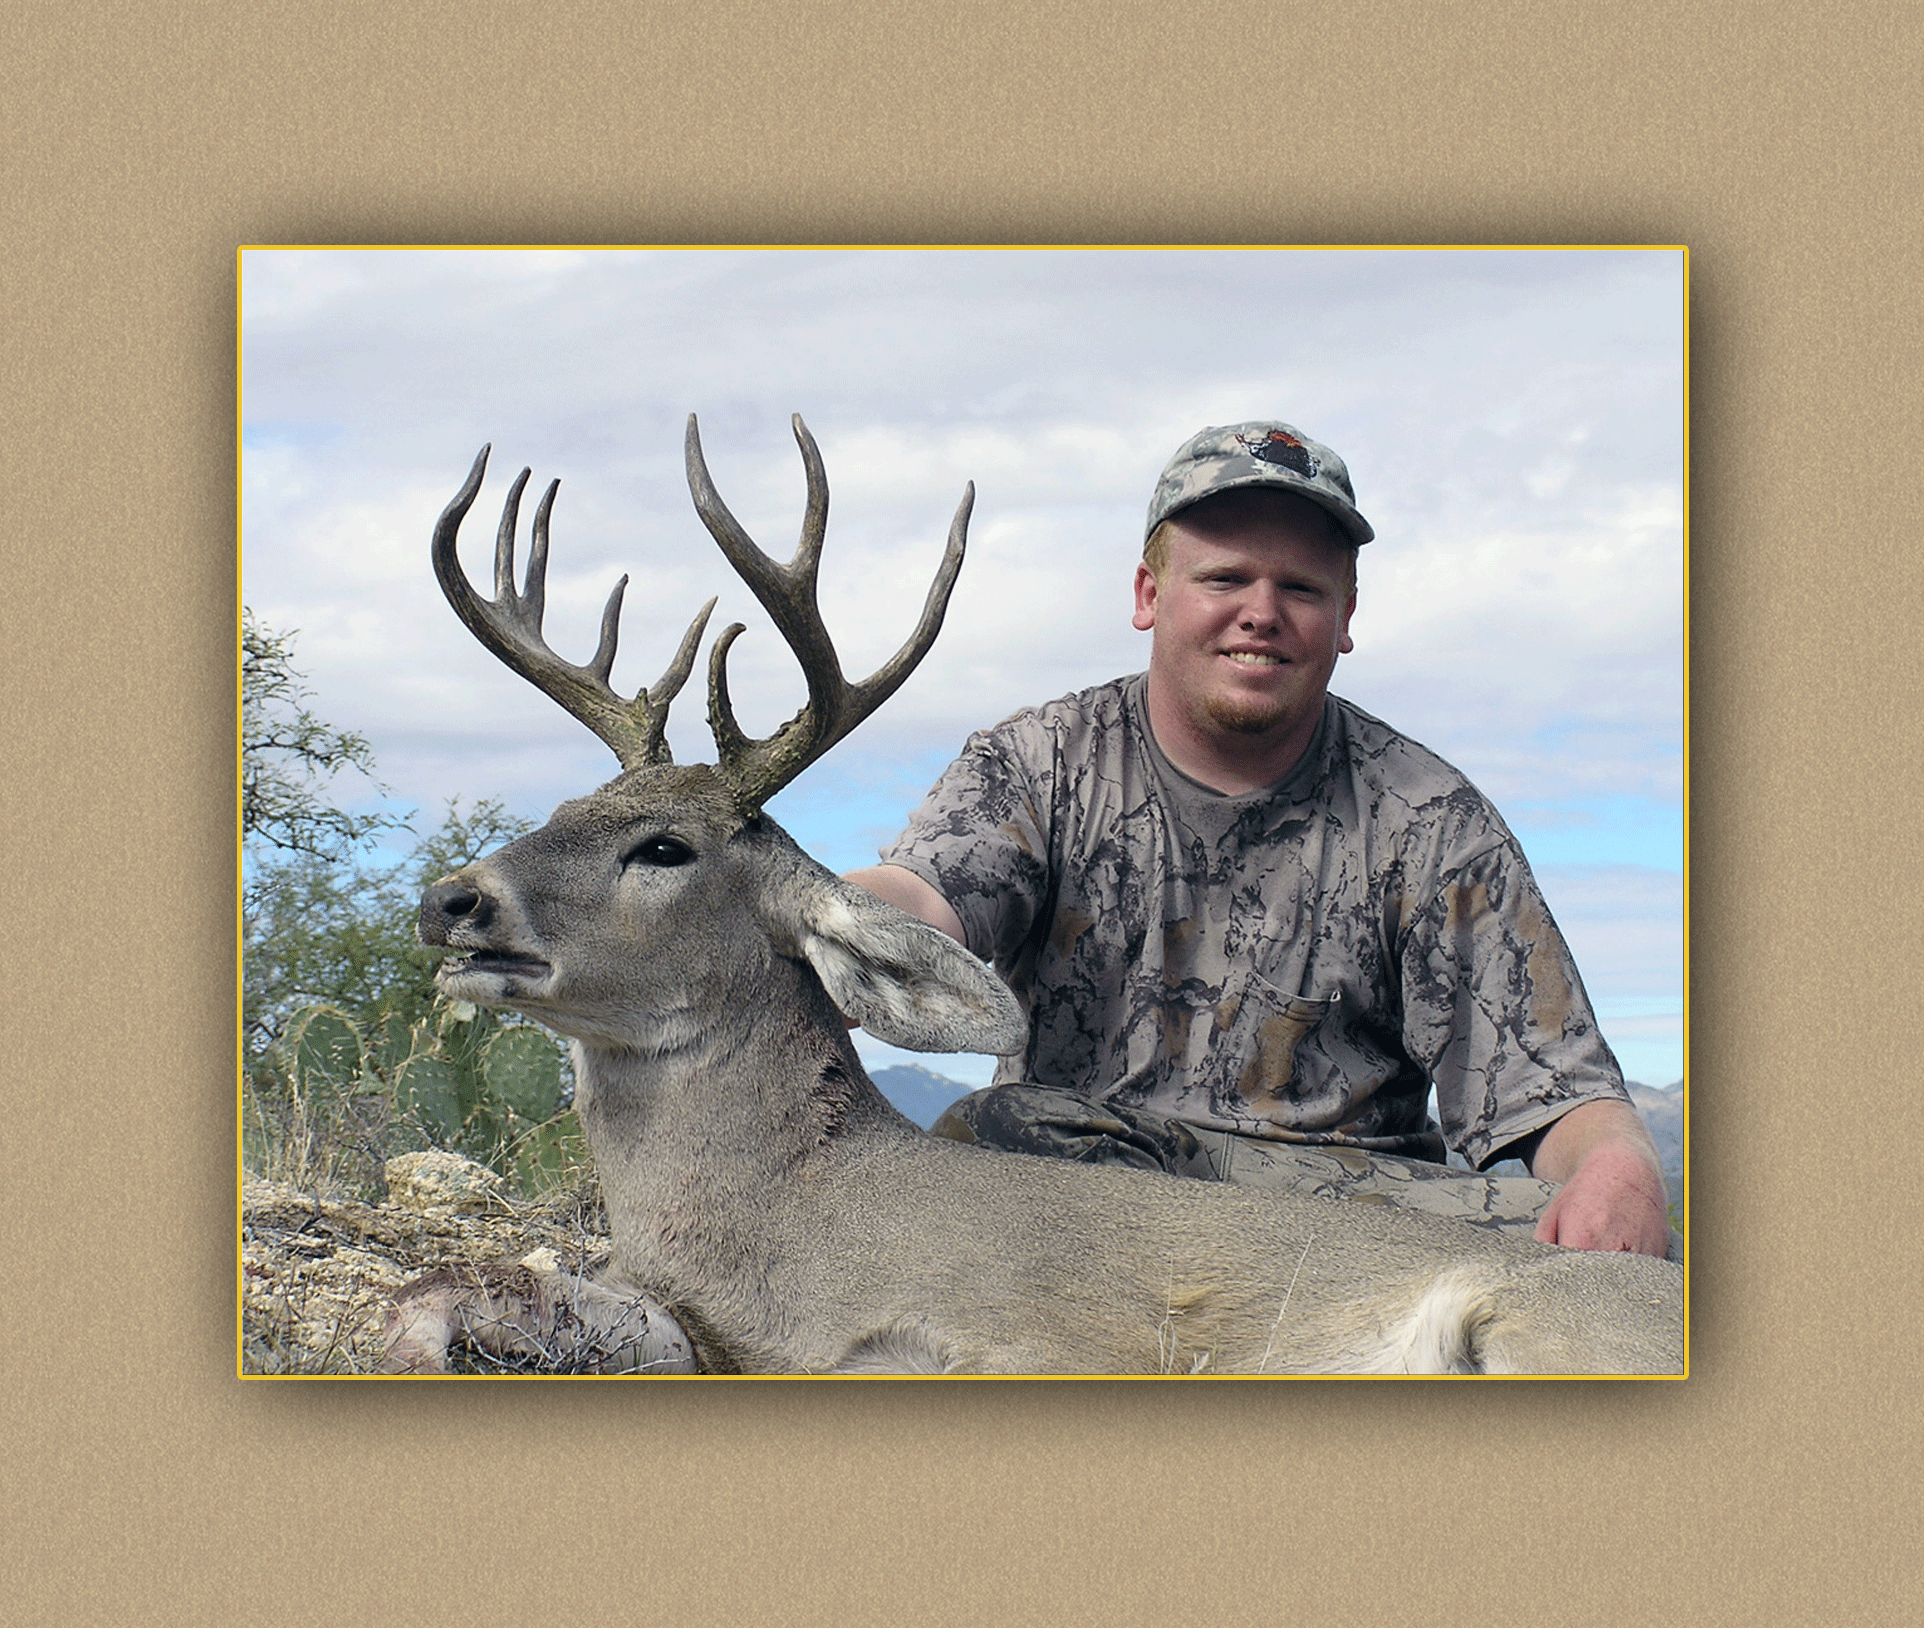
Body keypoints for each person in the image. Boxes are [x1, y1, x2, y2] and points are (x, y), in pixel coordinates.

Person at [846, 420, 1673, 1259]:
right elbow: (923, 898)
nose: (1262, 614)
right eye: (1225, 578)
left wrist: (1617, 1164)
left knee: (1569, 1239)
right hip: (1080, 1213)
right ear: (1148, 595)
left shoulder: (1433, 823)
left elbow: (1561, 1093)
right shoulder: (1038, 765)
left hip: (1344, 1240)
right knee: (990, 1133)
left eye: (1302, 589)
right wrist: (822, 916)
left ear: (1345, 615)